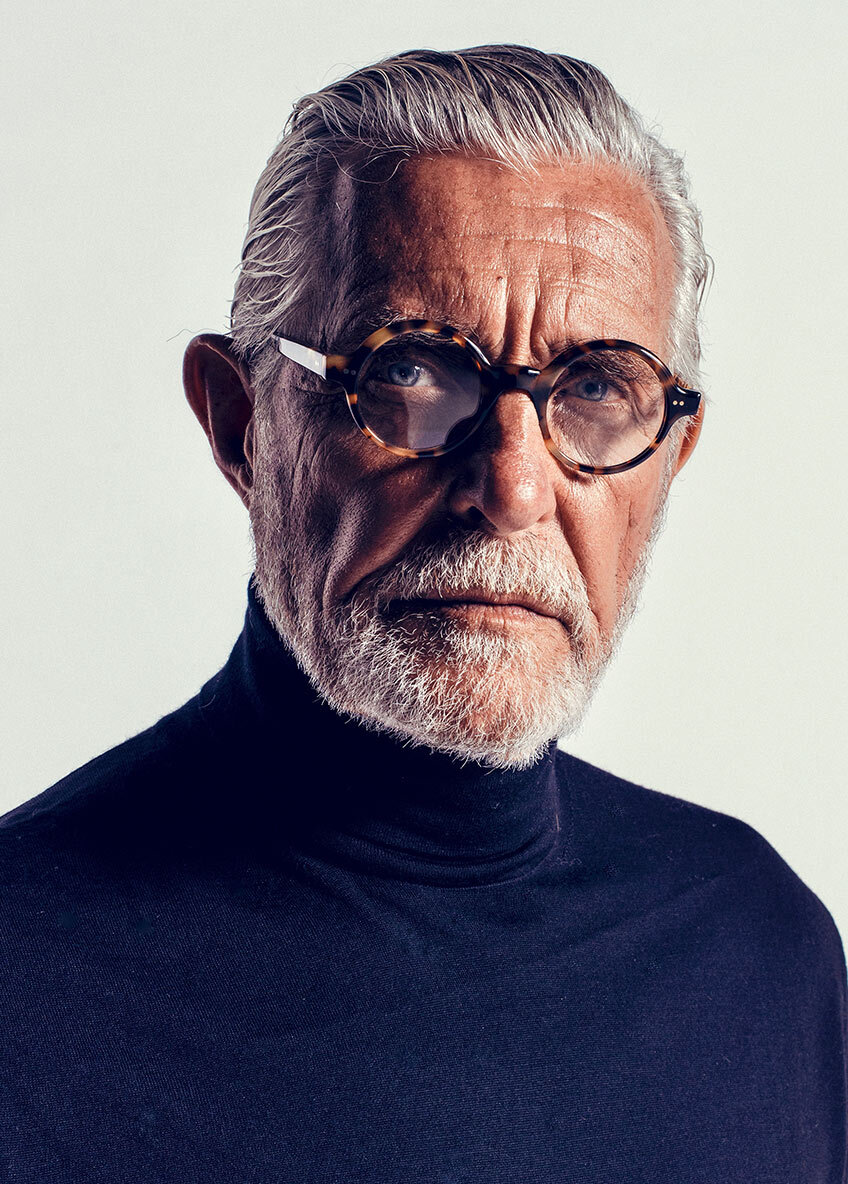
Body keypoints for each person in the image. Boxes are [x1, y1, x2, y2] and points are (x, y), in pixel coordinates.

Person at [1, 44, 845, 1183]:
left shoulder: (757, 947)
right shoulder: (23, 981)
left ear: (670, 456)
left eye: (597, 387)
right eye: (408, 372)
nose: (512, 490)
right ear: (242, 425)